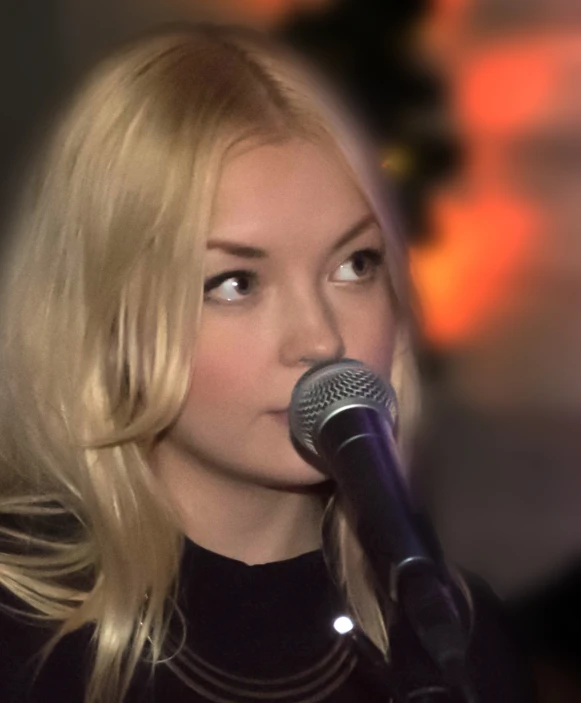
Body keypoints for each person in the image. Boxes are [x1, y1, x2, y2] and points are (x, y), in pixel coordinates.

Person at [0, 24, 532, 703]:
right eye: (235, 283)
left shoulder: (460, 639)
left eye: (353, 265)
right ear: (107, 315)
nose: (318, 338)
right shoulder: (20, 630)